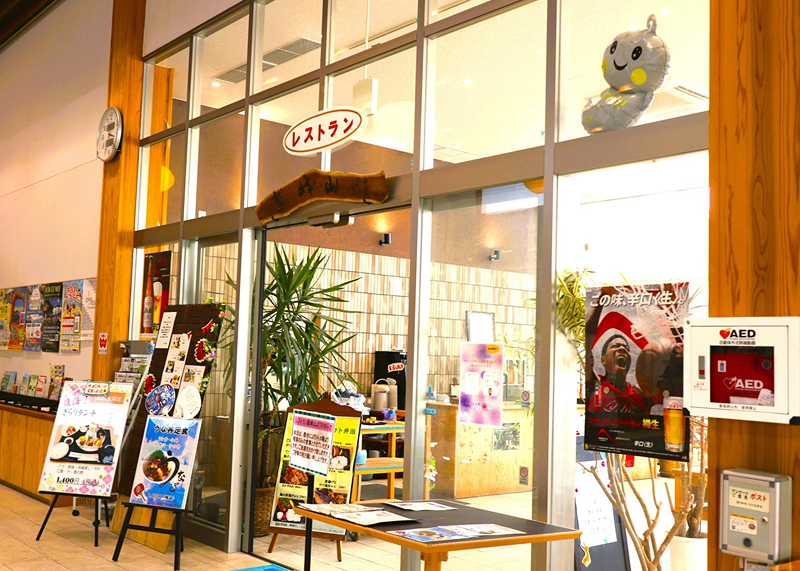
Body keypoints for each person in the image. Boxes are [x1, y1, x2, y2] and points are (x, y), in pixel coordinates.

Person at [588, 333, 647, 414]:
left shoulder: (638, 395)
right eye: (615, 346)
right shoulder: (596, 386)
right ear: (603, 360)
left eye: (626, 348)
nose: (622, 348)